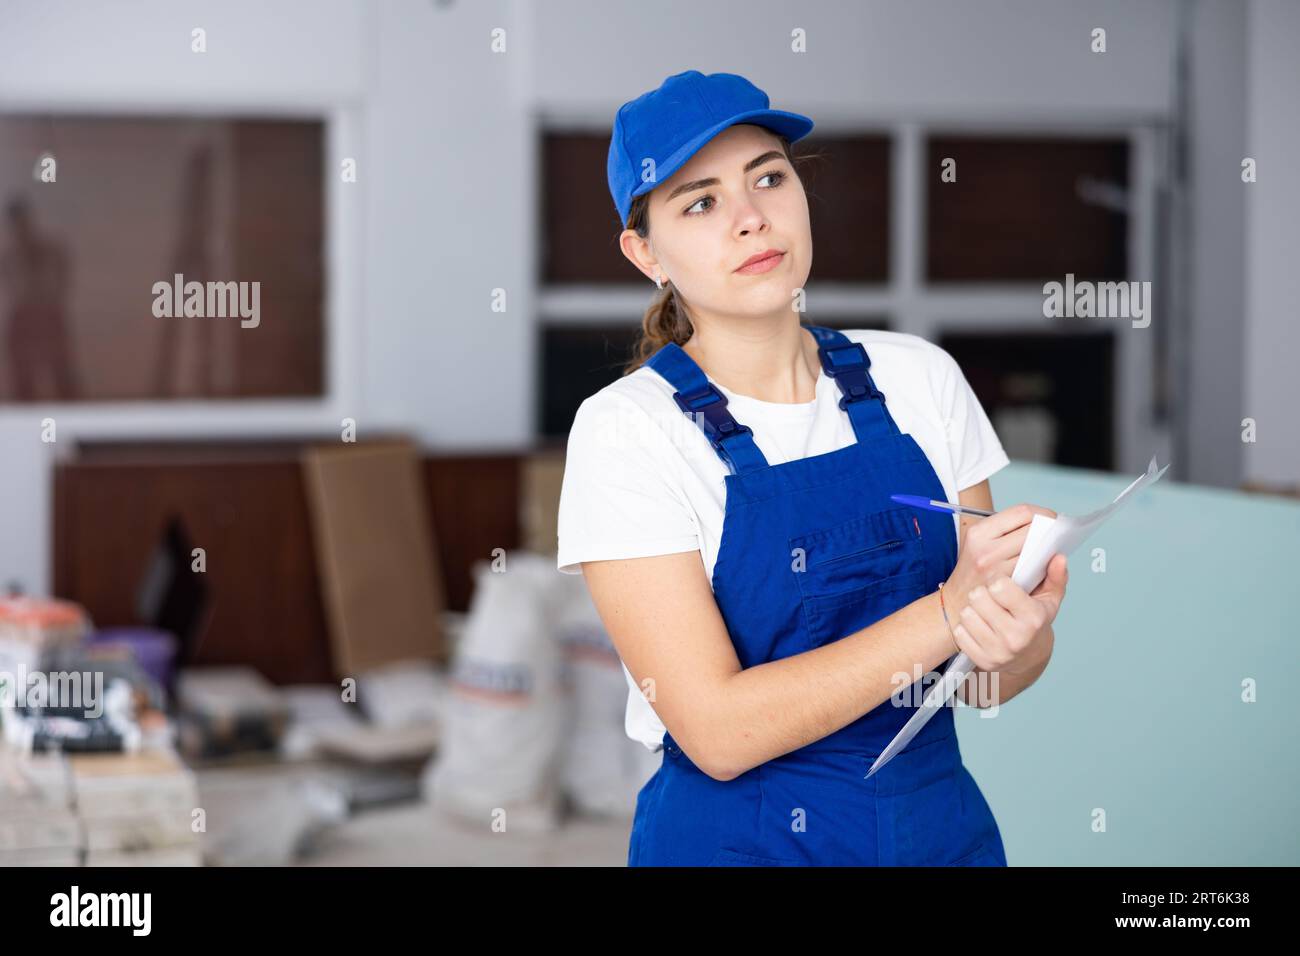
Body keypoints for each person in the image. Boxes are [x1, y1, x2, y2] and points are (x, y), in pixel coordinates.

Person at [556, 70, 1069, 866]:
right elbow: (719, 733)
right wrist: (947, 612)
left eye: (768, 177)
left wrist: (1017, 636)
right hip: (741, 842)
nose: (751, 219)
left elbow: (980, 684)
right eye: (701, 202)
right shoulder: (627, 432)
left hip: (936, 830)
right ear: (645, 252)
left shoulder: (921, 379)